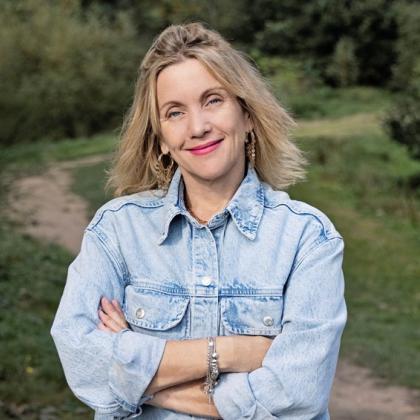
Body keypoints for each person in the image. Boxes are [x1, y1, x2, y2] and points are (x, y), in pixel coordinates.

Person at [51, 22, 347, 419]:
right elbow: (81, 358)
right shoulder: (118, 231)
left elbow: (297, 397)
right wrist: (232, 352)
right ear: (161, 139)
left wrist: (138, 381)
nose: (197, 127)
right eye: (175, 112)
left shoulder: (307, 238)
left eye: (213, 101)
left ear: (247, 115)